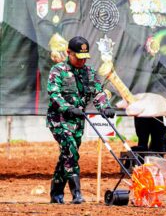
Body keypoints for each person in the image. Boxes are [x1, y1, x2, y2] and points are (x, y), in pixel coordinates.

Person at [46, 36, 115, 204]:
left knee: (67, 155)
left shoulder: (89, 72)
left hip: (78, 121)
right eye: (78, 57)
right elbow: (54, 94)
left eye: (84, 58)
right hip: (59, 120)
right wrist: (68, 107)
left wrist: (104, 106)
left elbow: (98, 92)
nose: (81, 61)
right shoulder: (58, 70)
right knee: (70, 151)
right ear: (68, 53)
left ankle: (56, 193)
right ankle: (77, 194)